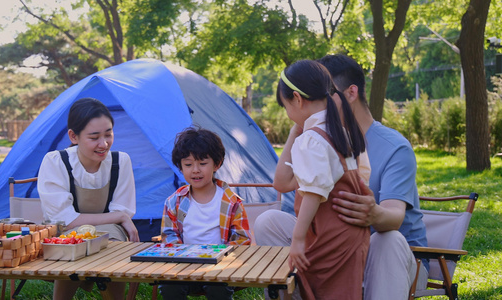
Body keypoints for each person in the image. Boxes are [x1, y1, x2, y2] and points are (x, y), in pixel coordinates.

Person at [255, 54, 428, 300]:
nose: (320, 98)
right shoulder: (320, 138)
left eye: (326, 91)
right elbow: (282, 182)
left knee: (387, 240)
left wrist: (373, 213)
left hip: (393, 258)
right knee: (268, 221)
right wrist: (301, 121)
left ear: (350, 93)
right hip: (333, 242)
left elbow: (395, 218)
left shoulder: (394, 147)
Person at [268, 59, 369, 299]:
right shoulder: (337, 131)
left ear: (297, 98)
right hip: (350, 234)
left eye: (285, 106)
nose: (288, 114)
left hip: (329, 234)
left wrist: (297, 239)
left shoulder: (311, 140)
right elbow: (283, 182)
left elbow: (313, 192)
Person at [37, 97, 139, 300]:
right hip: (65, 233)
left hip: (111, 233)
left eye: (108, 134)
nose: (104, 144)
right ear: (73, 136)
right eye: (94, 137)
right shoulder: (56, 162)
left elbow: (122, 211)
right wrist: (120, 217)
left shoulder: (120, 161)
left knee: (111, 241)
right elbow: (66, 219)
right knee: (73, 242)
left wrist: (121, 217)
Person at [159, 126, 252, 300]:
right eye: (188, 164)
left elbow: (242, 239)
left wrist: (221, 258)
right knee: (169, 285)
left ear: (216, 164)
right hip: (183, 267)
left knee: (218, 287)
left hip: (220, 267)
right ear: (180, 167)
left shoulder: (231, 202)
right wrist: (183, 257)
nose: (195, 170)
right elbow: (168, 235)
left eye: (202, 163)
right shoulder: (174, 202)